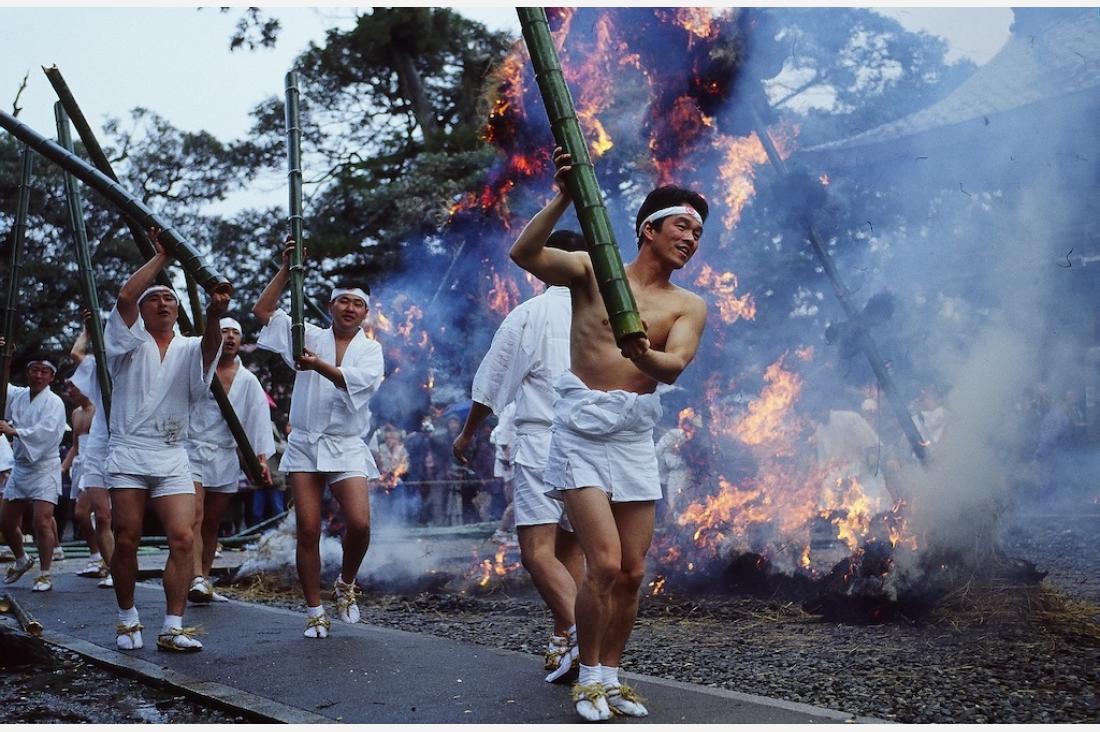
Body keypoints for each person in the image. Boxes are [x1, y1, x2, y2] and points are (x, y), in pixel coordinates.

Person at [510, 150, 708, 721]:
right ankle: (589, 677)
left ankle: (614, 674)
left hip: (631, 436)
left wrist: (642, 351)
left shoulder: (688, 304)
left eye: (698, 233)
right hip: (578, 434)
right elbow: (524, 254)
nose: (692, 239)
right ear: (649, 229)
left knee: (634, 570)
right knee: (602, 561)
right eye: (682, 226)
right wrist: (566, 196)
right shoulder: (592, 272)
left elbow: (674, 367)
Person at [453, 229, 589, 684]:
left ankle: (585, 641)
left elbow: (493, 380)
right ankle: (562, 641)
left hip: (544, 443)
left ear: (547, 264)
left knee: (535, 551)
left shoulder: (532, 312)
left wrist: (468, 433)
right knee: (571, 546)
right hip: (592, 447)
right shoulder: (604, 311)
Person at [253, 238, 384, 638]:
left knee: (359, 524)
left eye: (357, 304)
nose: (349, 308)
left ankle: (345, 584)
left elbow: (358, 383)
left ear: (365, 313)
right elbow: (263, 312)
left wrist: (319, 366)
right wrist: (286, 269)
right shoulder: (306, 334)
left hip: (346, 444)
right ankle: (314, 611)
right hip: (306, 443)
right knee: (308, 529)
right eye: (342, 300)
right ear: (331, 306)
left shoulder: (371, 350)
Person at [104, 229, 228, 653]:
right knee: (126, 537)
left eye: (169, 299)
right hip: (129, 451)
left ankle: (172, 626)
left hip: (173, 452)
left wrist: (214, 313)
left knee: (182, 538)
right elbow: (123, 297)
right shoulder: (126, 342)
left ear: (178, 311)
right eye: (154, 298)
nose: (162, 303)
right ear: (142, 310)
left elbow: (211, 352)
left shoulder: (191, 346)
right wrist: (160, 257)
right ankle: (126, 616)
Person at [187, 317, 275, 605]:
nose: (230, 337)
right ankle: (196, 577)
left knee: (212, 523)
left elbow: (257, 421)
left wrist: (259, 461)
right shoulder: (198, 367)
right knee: (195, 517)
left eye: (236, 333)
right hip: (190, 450)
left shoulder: (249, 380)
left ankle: (205, 578)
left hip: (224, 455)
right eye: (223, 330)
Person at [0, 355, 67, 592]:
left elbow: (47, 433)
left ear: (51, 376)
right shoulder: (18, 396)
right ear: (27, 372)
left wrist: (14, 431)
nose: (38, 375)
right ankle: (21, 559)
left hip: (45, 465)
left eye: (44, 371)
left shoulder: (55, 402)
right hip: (21, 465)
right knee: (6, 521)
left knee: (42, 521)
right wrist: (4, 353)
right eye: (34, 370)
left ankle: (45, 573)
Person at [68, 321, 116, 588]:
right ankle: (109, 567)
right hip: (97, 449)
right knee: (100, 514)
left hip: (127, 443)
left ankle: (116, 565)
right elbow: (76, 354)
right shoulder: (100, 366)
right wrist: (88, 330)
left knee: (122, 518)